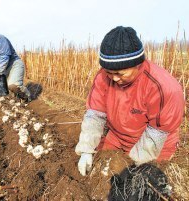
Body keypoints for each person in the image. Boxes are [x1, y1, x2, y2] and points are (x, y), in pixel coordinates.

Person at [75, 26, 185, 176]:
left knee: (138, 182)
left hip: (154, 144)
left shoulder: (162, 87)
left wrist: (131, 165)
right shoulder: (103, 77)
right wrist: (86, 150)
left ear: (137, 64)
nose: (114, 78)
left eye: (120, 73)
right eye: (109, 72)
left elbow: (156, 135)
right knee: (98, 170)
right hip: (117, 138)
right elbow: (94, 115)